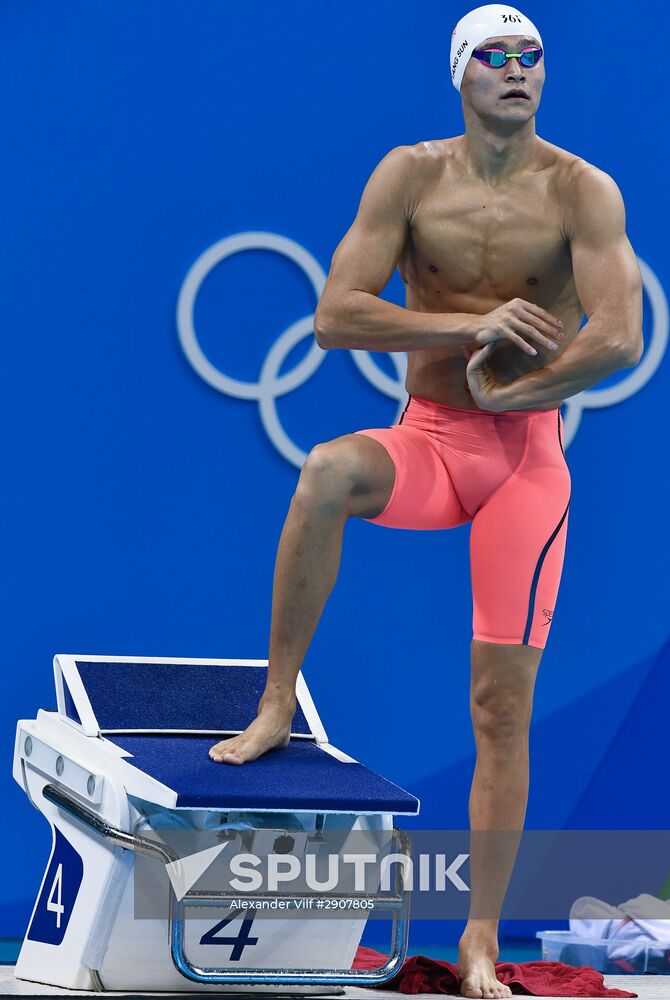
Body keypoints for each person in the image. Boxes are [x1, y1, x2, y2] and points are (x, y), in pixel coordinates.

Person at [209, 4, 643, 996]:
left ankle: (483, 937)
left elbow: (616, 335)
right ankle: (277, 700)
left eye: (531, 56)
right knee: (325, 471)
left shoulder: (582, 191)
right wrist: (472, 321)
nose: (517, 71)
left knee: (500, 704)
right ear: (460, 74)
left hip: (524, 466)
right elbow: (332, 316)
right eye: (495, 57)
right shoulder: (408, 176)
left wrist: (515, 391)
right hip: (430, 443)